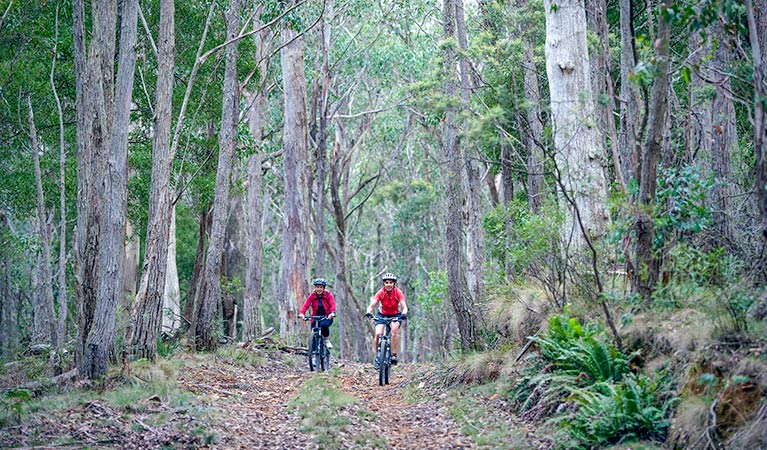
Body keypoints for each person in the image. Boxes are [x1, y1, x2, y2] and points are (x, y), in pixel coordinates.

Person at [365, 272, 408, 368]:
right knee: (378, 334)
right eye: (387, 282)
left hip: (395, 315)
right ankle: (378, 356)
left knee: (394, 332)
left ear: (394, 284)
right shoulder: (381, 292)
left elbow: (404, 306)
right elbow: (372, 305)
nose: (388, 284)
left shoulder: (398, 292)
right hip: (382, 315)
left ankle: (394, 355)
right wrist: (368, 312)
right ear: (384, 283)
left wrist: (404, 314)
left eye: (391, 283)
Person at [299, 278, 337, 349]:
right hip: (315, 317)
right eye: (317, 287)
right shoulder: (312, 296)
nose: (319, 289)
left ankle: (326, 340)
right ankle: (313, 353)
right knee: (314, 331)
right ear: (315, 288)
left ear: (323, 288)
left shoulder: (328, 295)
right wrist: (302, 313)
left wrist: (332, 313)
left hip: (327, 317)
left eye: (320, 287)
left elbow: (332, 304)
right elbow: (306, 305)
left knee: (323, 325)